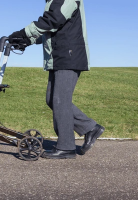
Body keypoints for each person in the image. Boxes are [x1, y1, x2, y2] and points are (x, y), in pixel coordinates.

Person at [8, 0, 105, 159]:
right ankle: (90, 128)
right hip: (59, 56)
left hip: (68, 55)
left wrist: (24, 33)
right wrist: (25, 41)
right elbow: (49, 30)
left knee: (60, 100)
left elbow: (52, 20)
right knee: (52, 99)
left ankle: (66, 147)